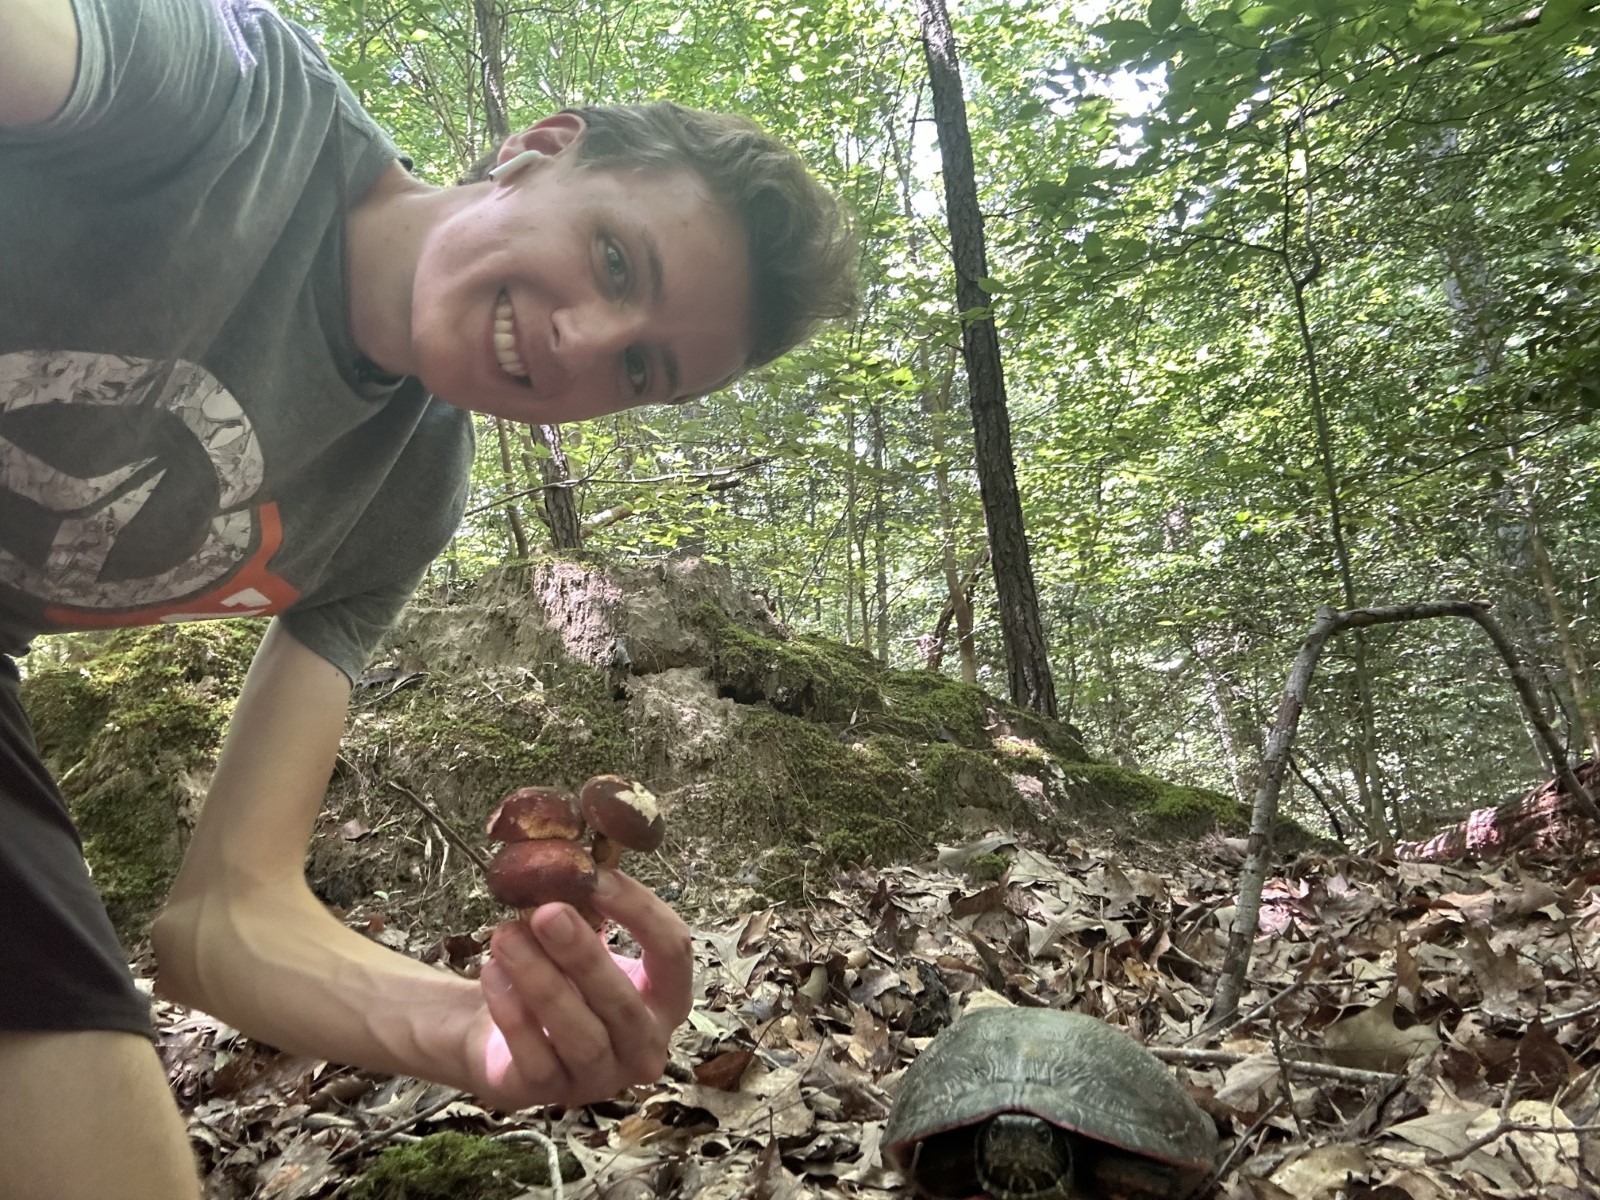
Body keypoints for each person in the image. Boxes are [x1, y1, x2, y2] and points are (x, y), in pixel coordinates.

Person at [0, 0, 857, 1194]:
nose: (582, 341)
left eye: (638, 367)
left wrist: (475, 1029)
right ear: (538, 148)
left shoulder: (403, 488)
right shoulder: (228, 100)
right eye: (615, 259)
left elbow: (225, 915)